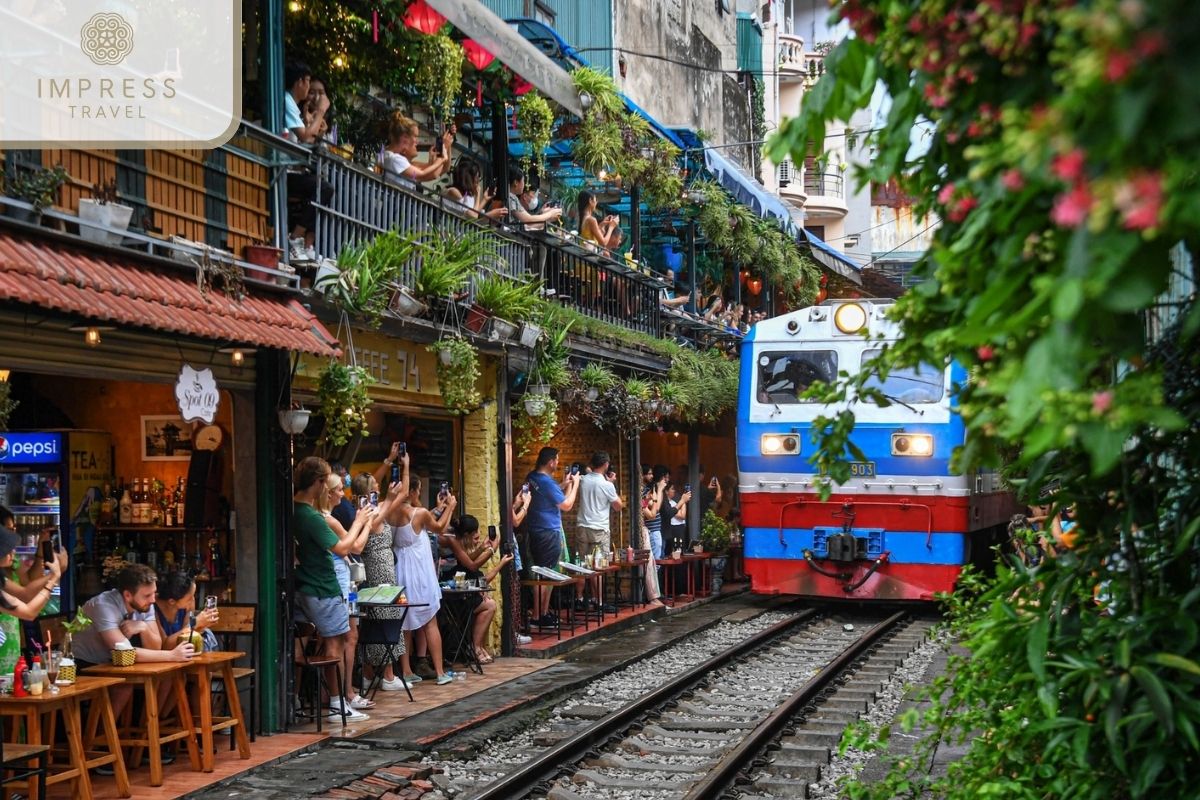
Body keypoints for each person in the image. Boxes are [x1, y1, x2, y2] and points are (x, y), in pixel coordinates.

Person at [292, 456, 378, 723]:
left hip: (304, 584)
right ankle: (337, 703)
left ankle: (304, 700)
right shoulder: (313, 517)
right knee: (336, 644)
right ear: (319, 484)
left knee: (311, 643)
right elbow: (344, 549)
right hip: (322, 586)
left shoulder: (293, 510)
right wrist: (360, 520)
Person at [72, 564, 193, 720]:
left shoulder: (144, 604)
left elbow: (155, 646)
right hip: (82, 664)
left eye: (154, 593)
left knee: (166, 678)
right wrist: (172, 655)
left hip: (111, 664)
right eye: (147, 595)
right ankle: (100, 738)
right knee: (124, 686)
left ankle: (143, 736)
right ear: (128, 595)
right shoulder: (104, 606)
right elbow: (126, 654)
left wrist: (143, 627)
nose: (153, 600)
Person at [384, 462, 456, 686]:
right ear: (413, 490)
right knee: (430, 621)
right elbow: (439, 528)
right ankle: (440, 671)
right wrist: (450, 507)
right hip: (419, 572)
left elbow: (419, 523)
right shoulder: (420, 512)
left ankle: (405, 670)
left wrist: (436, 509)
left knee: (404, 621)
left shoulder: (391, 512)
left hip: (400, 569)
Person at [317, 472, 376, 712]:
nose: (344, 493)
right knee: (345, 638)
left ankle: (339, 695)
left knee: (339, 639)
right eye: (340, 489)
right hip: (340, 584)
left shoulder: (323, 518)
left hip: (340, 582)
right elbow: (356, 547)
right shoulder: (328, 520)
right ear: (329, 493)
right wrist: (365, 522)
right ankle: (344, 695)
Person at [282, 61, 334, 262]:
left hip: (290, 169)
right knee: (324, 188)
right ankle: (295, 238)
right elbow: (305, 136)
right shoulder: (287, 100)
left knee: (321, 186)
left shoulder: (292, 104)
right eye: (308, 83)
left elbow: (309, 137)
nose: (310, 90)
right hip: (283, 170)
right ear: (301, 82)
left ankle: (306, 241)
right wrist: (320, 112)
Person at [441, 516, 512, 664]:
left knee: (488, 602)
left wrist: (484, 549)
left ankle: (476, 646)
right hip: (452, 597)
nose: (477, 540)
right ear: (466, 535)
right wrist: (493, 550)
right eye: (475, 537)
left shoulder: (460, 546)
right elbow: (472, 565)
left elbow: (469, 562)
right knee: (490, 605)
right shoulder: (452, 541)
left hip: (461, 593)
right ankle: (475, 647)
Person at [525, 447, 579, 625]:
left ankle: (543, 613)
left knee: (542, 573)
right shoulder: (547, 482)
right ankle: (538, 616)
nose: (557, 463)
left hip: (535, 530)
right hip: (548, 531)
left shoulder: (532, 477)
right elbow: (566, 505)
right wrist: (576, 484)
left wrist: (564, 485)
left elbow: (548, 495)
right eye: (556, 460)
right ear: (550, 462)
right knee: (545, 574)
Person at [575, 453, 623, 604]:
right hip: (600, 530)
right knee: (598, 566)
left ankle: (579, 598)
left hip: (582, 527)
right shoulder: (607, 485)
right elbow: (618, 506)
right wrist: (611, 483)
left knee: (581, 564)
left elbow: (589, 474)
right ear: (606, 465)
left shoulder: (582, 480)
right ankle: (599, 601)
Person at [153, 571, 219, 652]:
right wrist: (195, 624)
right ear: (172, 602)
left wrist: (201, 626)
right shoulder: (152, 608)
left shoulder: (188, 603)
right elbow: (164, 646)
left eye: (193, 596)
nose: (192, 600)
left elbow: (187, 636)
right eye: (189, 598)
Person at [380, 113, 452, 186]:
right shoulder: (394, 159)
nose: (417, 141)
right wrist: (442, 156)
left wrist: (446, 145)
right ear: (405, 138)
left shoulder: (391, 158)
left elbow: (434, 173)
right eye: (415, 136)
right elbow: (422, 174)